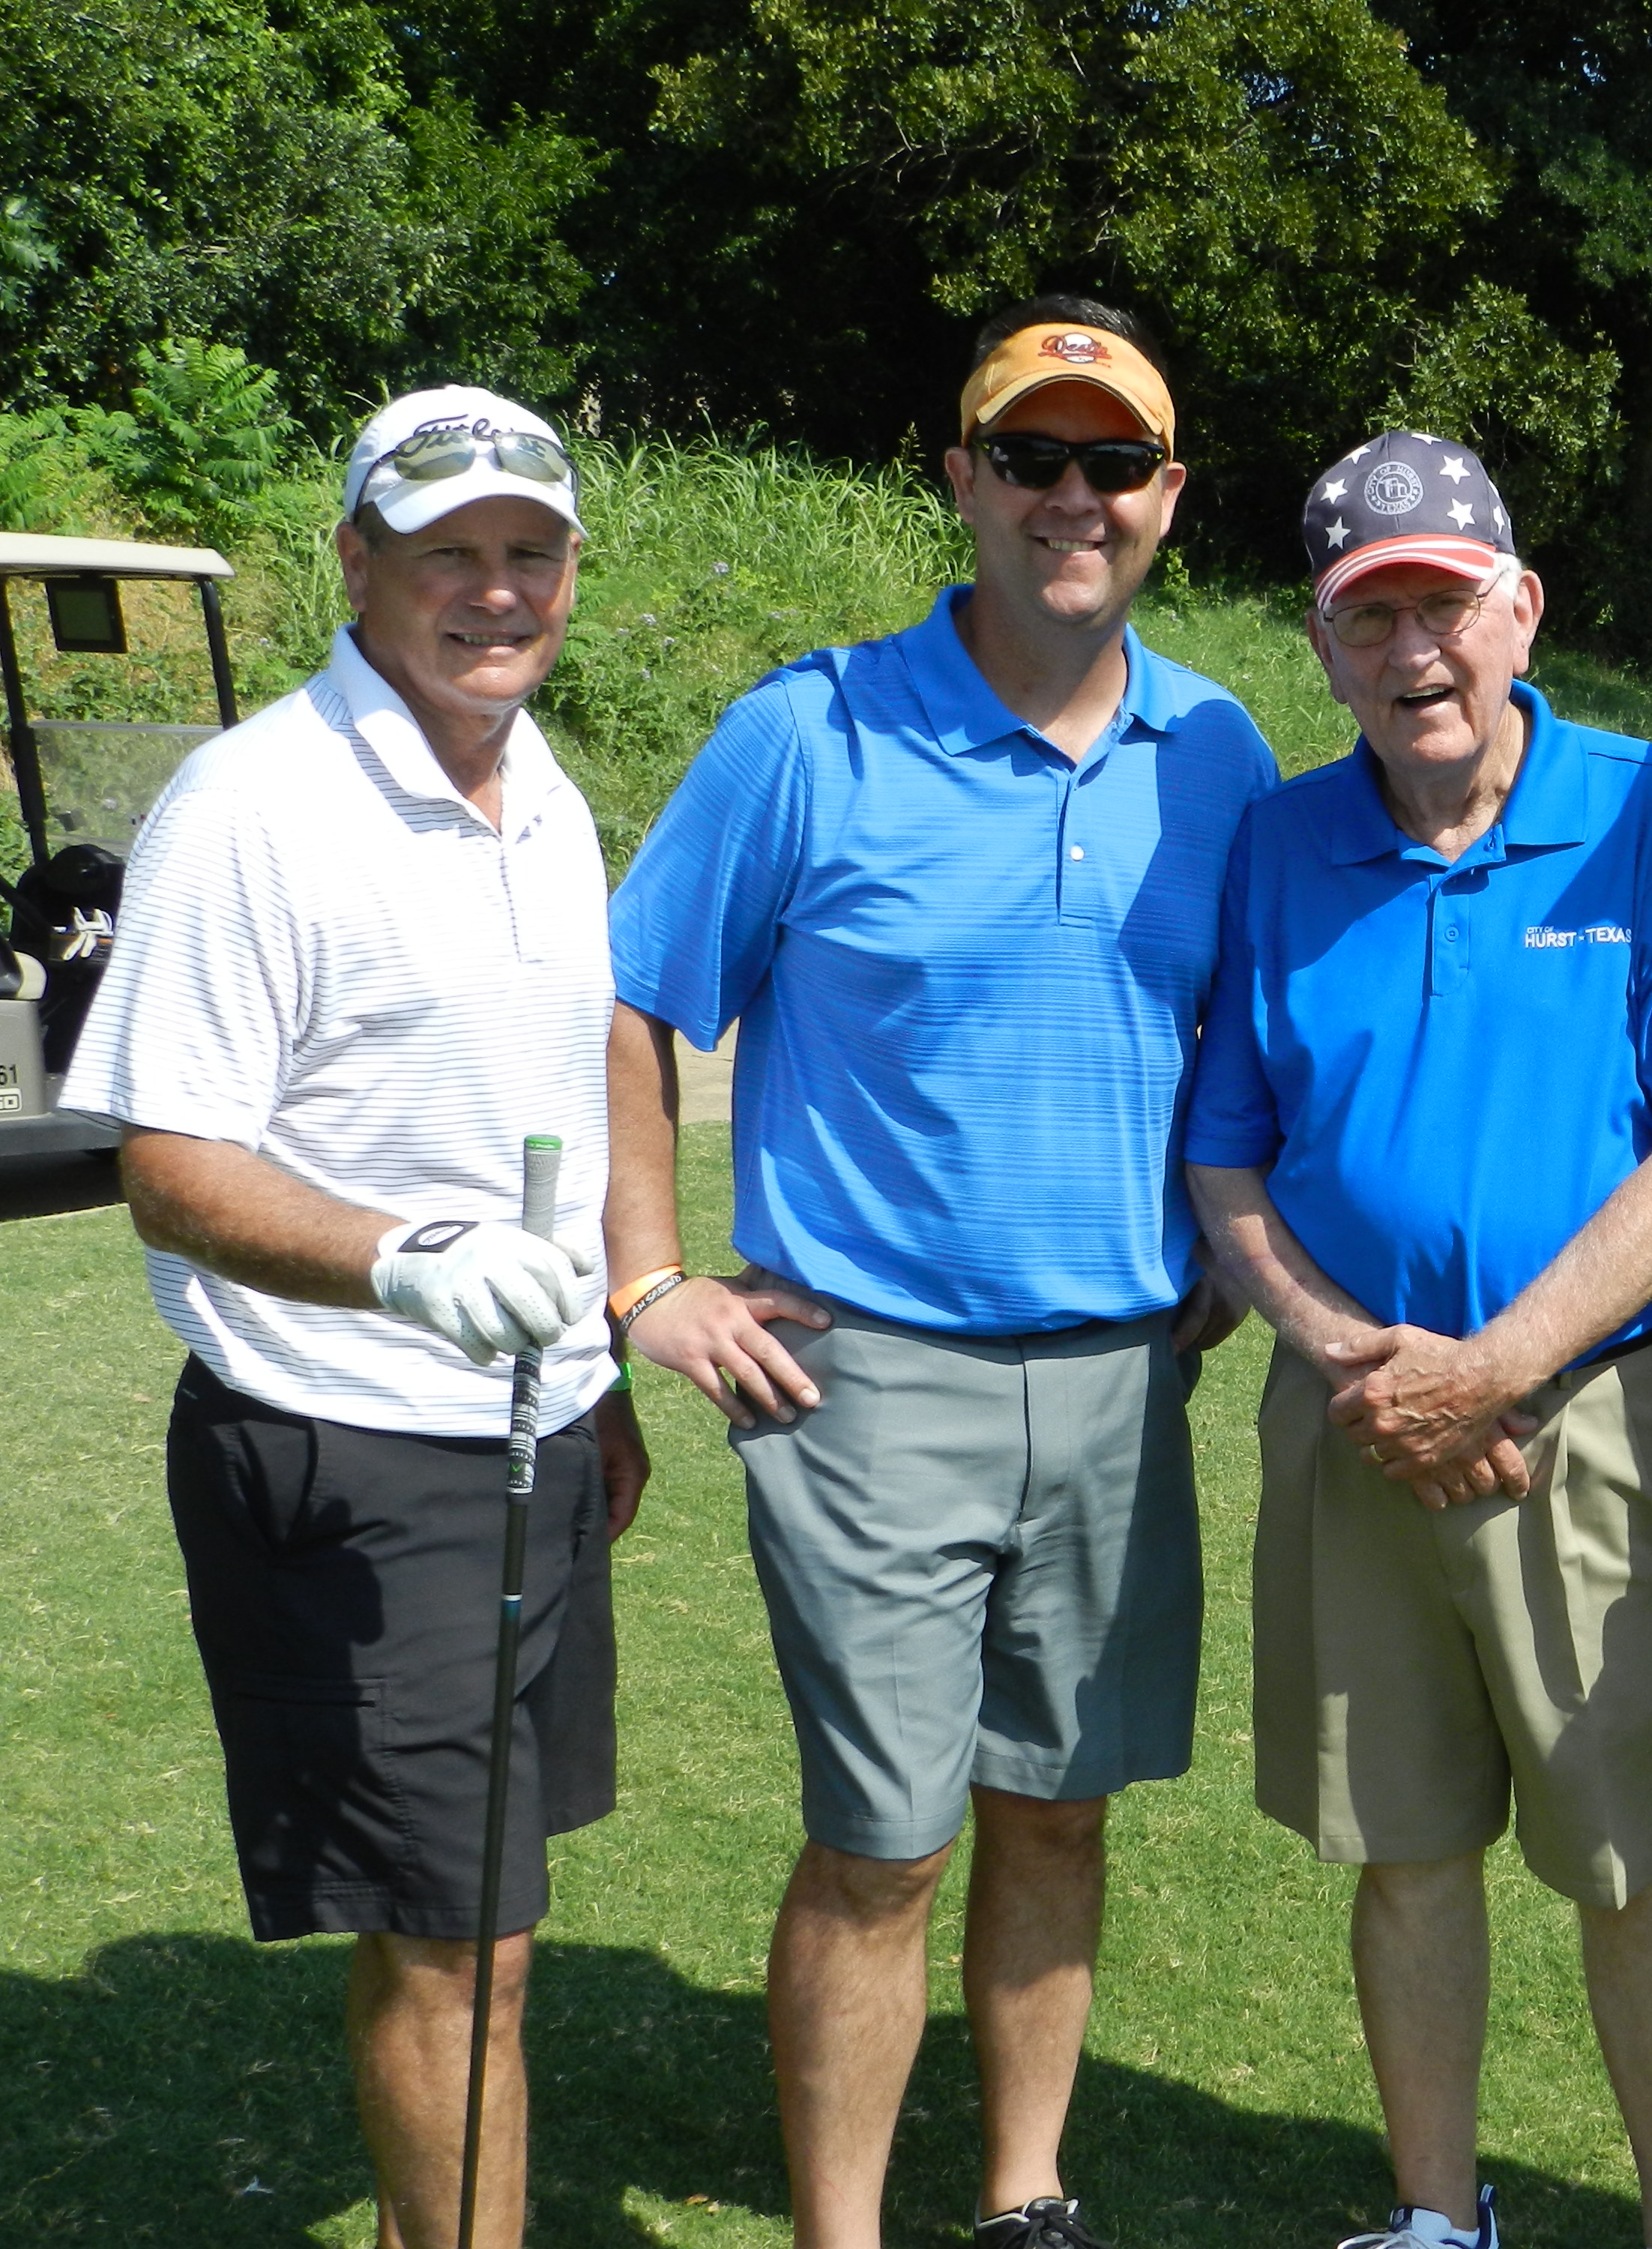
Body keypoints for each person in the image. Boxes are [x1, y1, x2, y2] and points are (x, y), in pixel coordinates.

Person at [601, 299, 1276, 2249]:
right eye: (1032, 457)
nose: (1075, 497)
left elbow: (1243, 1029)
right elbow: (635, 1000)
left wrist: (1233, 1248)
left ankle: (1022, 2196)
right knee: (883, 1841)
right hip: (867, 1380)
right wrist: (649, 1283)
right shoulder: (806, 732)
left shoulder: (1216, 750)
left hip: (1127, 1378)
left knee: (1058, 1809)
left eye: (1112, 463)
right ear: (962, 479)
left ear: (1167, 495)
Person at [61, 385, 643, 2249]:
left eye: (530, 551)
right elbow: (171, 1163)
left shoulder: (544, 789)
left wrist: (599, 1377)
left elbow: (556, 1089)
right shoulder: (256, 805)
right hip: (346, 1438)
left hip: (523, 1431)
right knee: (453, 1944)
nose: (497, 589)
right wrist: (406, 1261)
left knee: (492, 1926)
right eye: (448, 551)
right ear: (356, 563)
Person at [1185, 430, 1652, 2249]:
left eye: (1443, 605)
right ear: (1320, 642)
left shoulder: (1649, 805)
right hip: (1354, 1417)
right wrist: (1353, 1359)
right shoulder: (1280, 840)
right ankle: (1436, 2219)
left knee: (1625, 1858)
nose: (1412, 651)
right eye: (1369, 618)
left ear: (1521, 609)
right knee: (1404, 1849)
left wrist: (1492, 1366)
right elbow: (1224, 1156)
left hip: (1582, 1411)